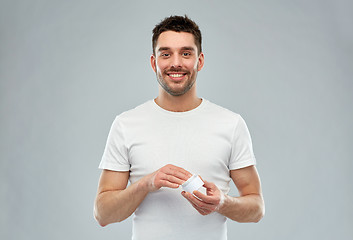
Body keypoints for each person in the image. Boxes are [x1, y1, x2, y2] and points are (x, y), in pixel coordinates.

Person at [94, 15, 264, 240]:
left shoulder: (231, 124)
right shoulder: (126, 125)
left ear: (199, 61)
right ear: (154, 62)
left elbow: (257, 208)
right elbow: (103, 214)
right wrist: (146, 184)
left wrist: (223, 202)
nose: (176, 63)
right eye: (166, 54)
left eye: (186, 53)